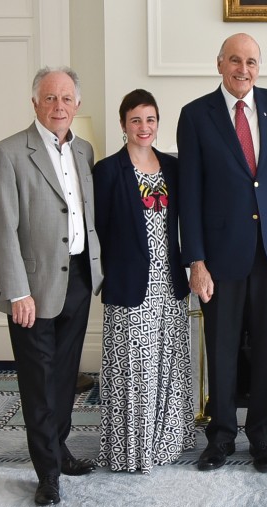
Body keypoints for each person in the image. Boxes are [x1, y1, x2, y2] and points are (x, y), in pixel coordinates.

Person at [177, 33, 267, 473]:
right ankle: (221, 436)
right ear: (219, 64)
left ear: (259, 66)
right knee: (222, 347)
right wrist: (196, 259)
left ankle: (262, 437)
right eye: (235, 60)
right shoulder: (195, 116)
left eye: (251, 61)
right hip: (221, 256)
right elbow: (189, 194)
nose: (243, 69)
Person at [0, 66, 103, 505]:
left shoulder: (85, 151)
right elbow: (1, 228)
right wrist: (17, 291)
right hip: (31, 289)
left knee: (66, 377)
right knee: (38, 380)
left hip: (78, 278)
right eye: (50, 98)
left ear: (77, 105)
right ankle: (47, 473)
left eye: (67, 98)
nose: (59, 106)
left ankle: (60, 448)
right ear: (35, 103)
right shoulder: (8, 153)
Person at [93, 89, 196, 474]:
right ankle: (132, 451)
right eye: (136, 120)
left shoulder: (171, 167)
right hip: (129, 285)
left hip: (168, 284)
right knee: (134, 369)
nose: (144, 127)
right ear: (123, 124)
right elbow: (97, 231)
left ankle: (167, 442)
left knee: (167, 363)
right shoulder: (107, 171)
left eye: (150, 119)